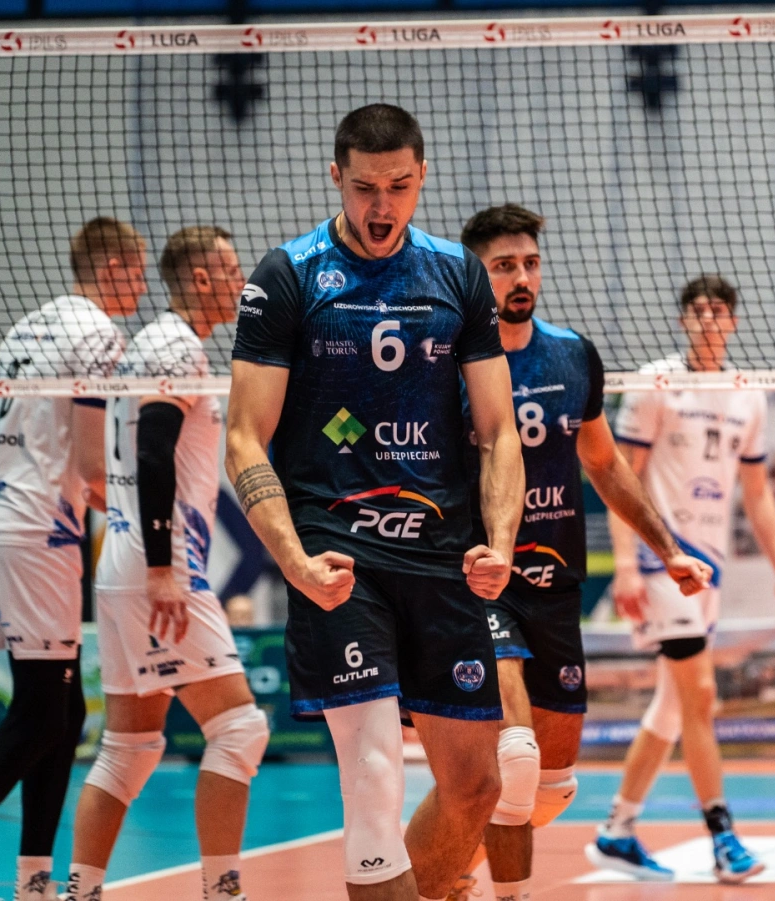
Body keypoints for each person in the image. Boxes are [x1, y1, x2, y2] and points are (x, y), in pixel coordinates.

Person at [224, 104, 523, 901]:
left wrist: (499, 540)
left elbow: (498, 431)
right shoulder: (288, 276)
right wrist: (293, 560)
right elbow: (244, 438)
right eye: (364, 188)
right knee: (375, 771)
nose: (381, 206)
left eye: (398, 186)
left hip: (442, 551)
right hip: (338, 554)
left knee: (477, 786)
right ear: (336, 178)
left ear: (422, 176)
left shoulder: (457, 273)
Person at [429, 204, 712, 901]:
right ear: (475, 276)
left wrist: (668, 550)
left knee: (550, 785)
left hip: (554, 583)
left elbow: (605, 463)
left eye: (530, 263)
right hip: (479, 580)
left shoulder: (572, 354)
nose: (522, 277)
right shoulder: (446, 361)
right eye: (503, 266)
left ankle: (443, 868)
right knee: (515, 758)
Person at [62, 226, 269, 901]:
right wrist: (162, 568)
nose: (241, 281)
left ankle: (80, 891)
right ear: (202, 279)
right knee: (239, 728)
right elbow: (153, 450)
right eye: (231, 270)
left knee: (130, 747)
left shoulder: (154, 344)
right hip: (161, 564)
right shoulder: (175, 345)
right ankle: (222, 891)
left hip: (123, 561)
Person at [586, 274, 775, 884]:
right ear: (684, 320)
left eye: (718, 311)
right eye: (698, 311)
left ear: (733, 321)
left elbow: (758, 495)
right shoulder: (656, 383)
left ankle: (617, 829)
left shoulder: (747, 395)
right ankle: (723, 837)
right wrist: (628, 565)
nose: (708, 320)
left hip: (710, 568)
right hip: (662, 558)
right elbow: (620, 477)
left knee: (672, 708)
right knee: (700, 694)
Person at [0, 216, 144, 900]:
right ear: (111, 268)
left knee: (64, 710)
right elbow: (89, 464)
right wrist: (150, 522)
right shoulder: (98, 335)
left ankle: (33, 881)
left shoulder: (25, 328)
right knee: (41, 715)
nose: (140, 288)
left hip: (10, 518)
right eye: (135, 273)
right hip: (41, 530)